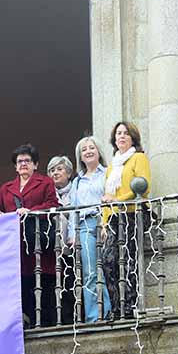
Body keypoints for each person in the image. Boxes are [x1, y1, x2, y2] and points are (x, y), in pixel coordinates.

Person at [0, 144, 59, 328]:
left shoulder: (45, 182)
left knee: (43, 282)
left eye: (27, 161)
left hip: (38, 242)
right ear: (15, 166)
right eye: (19, 161)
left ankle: (45, 322)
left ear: (35, 164)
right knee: (21, 284)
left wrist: (30, 211)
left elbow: (52, 204)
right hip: (15, 245)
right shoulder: (6, 188)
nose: (23, 164)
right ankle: (26, 321)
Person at [101, 121, 152, 320]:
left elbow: (143, 188)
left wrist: (117, 200)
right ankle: (116, 305)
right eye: (118, 133)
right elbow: (106, 196)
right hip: (115, 217)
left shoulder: (138, 158)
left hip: (134, 214)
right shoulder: (112, 166)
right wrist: (104, 222)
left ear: (132, 138)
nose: (121, 136)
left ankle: (130, 305)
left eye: (125, 133)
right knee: (108, 260)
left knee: (129, 259)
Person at [72, 136, 111, 323]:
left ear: (98, 151)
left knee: (109, 267)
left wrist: (105, 222)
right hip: (85, 225)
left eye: (91, 148)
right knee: (90, 272)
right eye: (84, 149)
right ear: (80, 156)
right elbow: (73, 209)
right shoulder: (77, 182)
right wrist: (73, 234)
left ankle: (110, 310)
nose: (88, 151)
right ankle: (95, 315)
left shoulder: (107, 173)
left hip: (104, 221)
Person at [47, 155, 77, 325]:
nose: (55, 173)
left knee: (71, 283)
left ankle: (73, 317)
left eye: (59, 169)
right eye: (52, 170)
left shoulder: (77, 188)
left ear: (68, 172)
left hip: (73, 246)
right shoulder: (48, 193)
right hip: (54, 248)